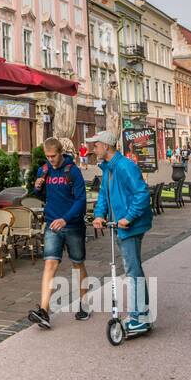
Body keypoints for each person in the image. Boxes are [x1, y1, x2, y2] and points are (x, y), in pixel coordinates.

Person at [88, 130, 154, 334]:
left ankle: (139, 318)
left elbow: (142, 193)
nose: (93, 148)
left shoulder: (125, 166)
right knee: (133, 269)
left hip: (130, 226)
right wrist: (99, 215)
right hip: (121, 225)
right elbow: (103, 197)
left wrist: (129, 217)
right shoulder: (108, 169)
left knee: (132, 270)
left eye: (96, 145)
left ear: (106, 146)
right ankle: (141, 315)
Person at [27, 137, 90, 329]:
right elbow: (40, 195)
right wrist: (37, 187)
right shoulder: (44, 170)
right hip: (52, 224)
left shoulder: (73, 171)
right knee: (50, 264)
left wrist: (66, 218)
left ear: (61, 152)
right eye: (47, 157)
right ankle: (44, 311)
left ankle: (85, 304)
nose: (51, 160)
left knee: (78, 264)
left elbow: (81, 200)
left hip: (73, 225)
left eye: (53, 156)